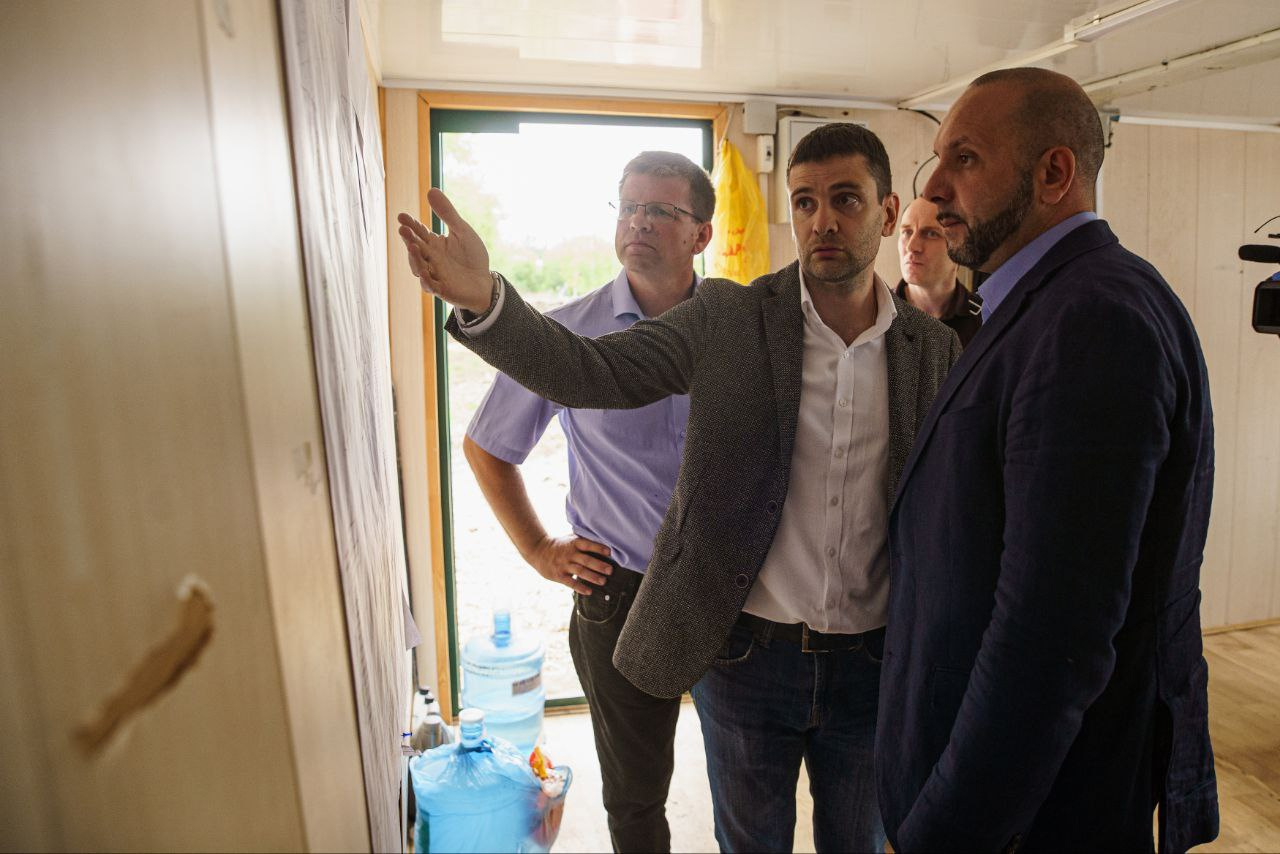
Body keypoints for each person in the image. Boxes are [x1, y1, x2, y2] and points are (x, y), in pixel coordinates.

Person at [397, 123, 960, 853]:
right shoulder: (732, 320)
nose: (822, 220)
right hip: (747, 657)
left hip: (875, 665)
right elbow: (591, 371)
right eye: (805, 201)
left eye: (845, 199)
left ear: (886, 215)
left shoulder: (932, 349)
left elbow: (950, 509)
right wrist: (485, 299)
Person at [878, 67, 1219, 852]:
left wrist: (943, 834)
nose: (934, 188)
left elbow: (1048, 641)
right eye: (937, 159)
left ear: (1053, 174)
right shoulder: (1042, 303)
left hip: (1033, 815)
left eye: (965, 158)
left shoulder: (1092, 318)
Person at [462, 151, 712, 854]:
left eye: (661, 210)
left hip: (729, 588)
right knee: (636, 795)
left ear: (701, 233)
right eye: (628, 207)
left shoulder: (736, 329)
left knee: (746, 777)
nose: (639, 222)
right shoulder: (566, 334)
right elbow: (487, 446)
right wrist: (541, 549)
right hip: (619, 593)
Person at [896, 196, 983, 347]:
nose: (911, 246)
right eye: (907, 232)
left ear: (961, 248)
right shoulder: (877, 312)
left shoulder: (984, 318)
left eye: (931, 234)